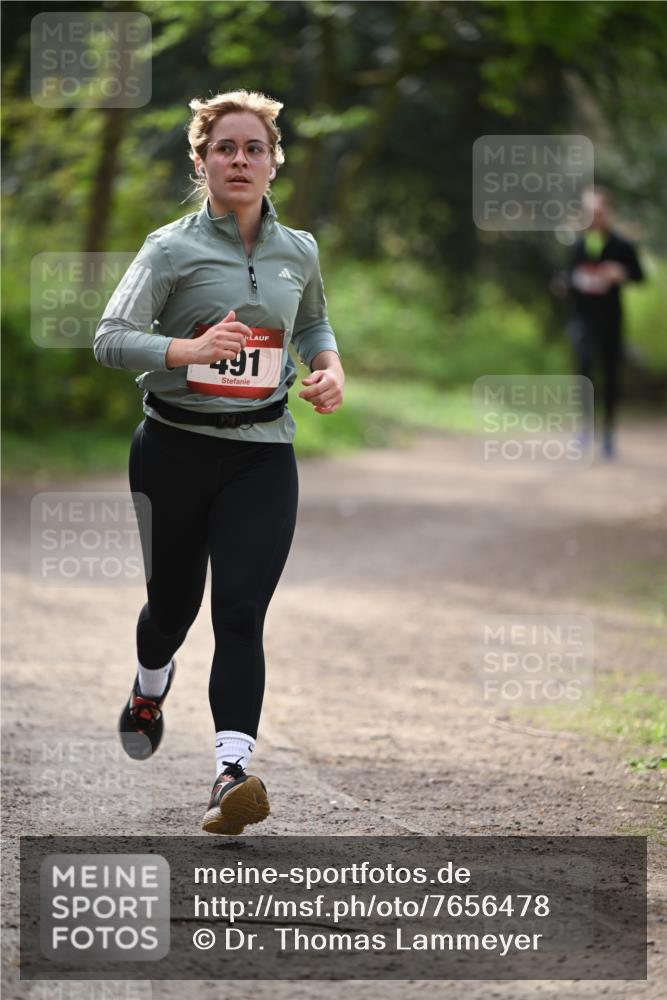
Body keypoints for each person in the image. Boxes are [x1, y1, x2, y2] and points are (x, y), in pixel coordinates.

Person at [94, 90, 344, 835]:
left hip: (261, 455)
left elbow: (313, 321)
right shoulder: (169, 248)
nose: (240, 160)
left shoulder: (298, 248)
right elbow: (110, 337)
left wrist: (326, 365)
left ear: (273, 163)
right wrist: (186, 351)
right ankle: (148, 686)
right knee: (172, 608)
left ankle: (229, 774)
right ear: (200, 161)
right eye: (225, 148)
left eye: (254, 149)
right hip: (171, 449)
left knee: (240, 612)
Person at [566, 187, 644, 458]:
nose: (594, 217)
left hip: (611, 320)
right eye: (590, 213)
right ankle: (585, 430)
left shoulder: (622, 245)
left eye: (598, 212)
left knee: (611, 375)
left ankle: (609, 434)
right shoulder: (577, 245)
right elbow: (567, 277)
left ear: (607, 212)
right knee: (583, 372)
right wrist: (566, 283)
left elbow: (639, 275)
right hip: (582, 320)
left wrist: (620, 273)